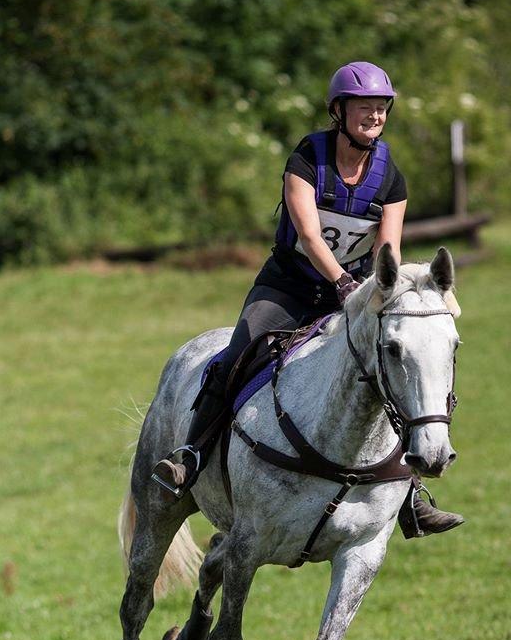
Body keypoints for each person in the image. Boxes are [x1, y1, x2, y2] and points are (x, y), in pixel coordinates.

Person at [151, 61, 463, 537]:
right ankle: (190, 457)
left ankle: (410, 494)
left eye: (381, 108)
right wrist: (342, 283)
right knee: (238, 354)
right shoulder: (307, 159)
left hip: (357, 293)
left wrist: (381, 290)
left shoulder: (390, 177)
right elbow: (309, 235)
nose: (374, 116)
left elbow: (389, 248)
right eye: (365, 108)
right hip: (289, 285)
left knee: (390, 368)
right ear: (339, 112)